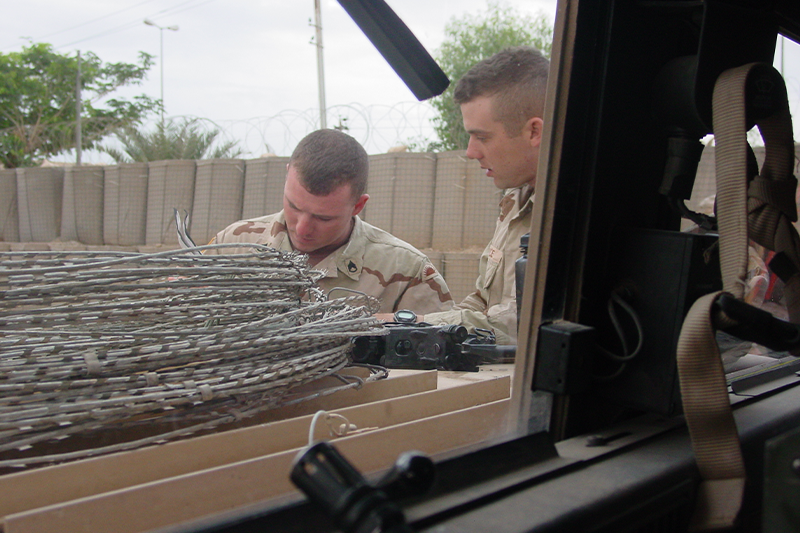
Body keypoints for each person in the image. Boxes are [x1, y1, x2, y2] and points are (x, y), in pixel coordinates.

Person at [206, 129, 454, 315]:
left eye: (323, 218)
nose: (302, 228)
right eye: (293, 206)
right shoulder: (232, 246)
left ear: (358, 206)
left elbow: (438, 369)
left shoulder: (406, 274)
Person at [416, 46, 550, 345]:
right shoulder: (517, 201)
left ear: (534, 132)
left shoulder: (567, 212)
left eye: (483, 137)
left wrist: (416, 324)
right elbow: (482, 301)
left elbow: (517, 327)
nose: (471, 151)